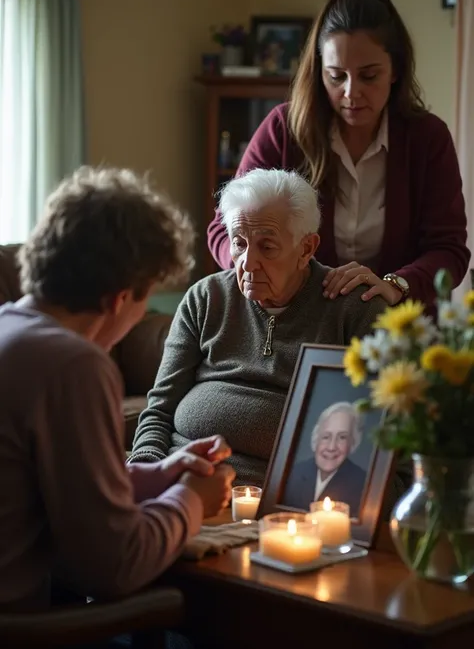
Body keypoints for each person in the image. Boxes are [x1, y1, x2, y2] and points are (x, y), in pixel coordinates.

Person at [0, 166, 236, 619]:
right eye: (145, 299)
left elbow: (49, 486)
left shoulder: (11, 328)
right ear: (119, 298)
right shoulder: (73, 365)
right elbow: (116, 565)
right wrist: (191, 499)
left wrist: (157, 476)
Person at [207, 0, 470, 309]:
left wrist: (395, 285)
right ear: (320, 72)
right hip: (295, 322)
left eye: (369, 76)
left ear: (396, 71)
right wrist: (254, 267)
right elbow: (223, 229)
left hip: (397, 329)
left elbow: (449, 250)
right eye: (336, 76)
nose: (351, 92)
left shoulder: (428, 138)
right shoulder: (284, 129)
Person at [129, 168, 388, 486]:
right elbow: (159, 410)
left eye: (267, 247)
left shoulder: (354, 311)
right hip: (183, 484)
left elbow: (380, 442)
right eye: (239, 244)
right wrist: (146, 475)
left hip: (287, 505)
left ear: (306, 248)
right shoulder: (206, 298)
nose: (248, 263)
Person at [284, 402, 366, 517]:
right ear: (316, 439)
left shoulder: (363, 485)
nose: (331, 447)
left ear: (353, 443)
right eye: (326, 437)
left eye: (342, 437)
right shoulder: (293, 473)